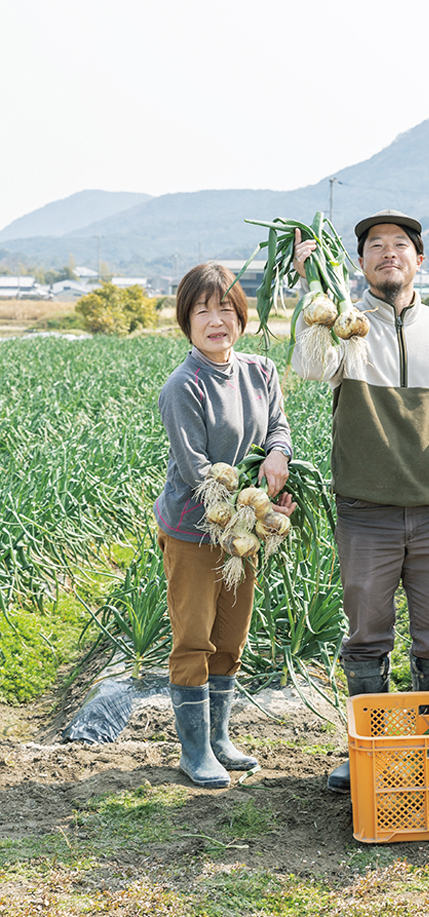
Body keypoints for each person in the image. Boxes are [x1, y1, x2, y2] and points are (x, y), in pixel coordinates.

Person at [292, 209, 429, 793]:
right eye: (374, 246)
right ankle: (368, 750)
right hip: (365, 513)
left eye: (399, 245)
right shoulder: (348, 329)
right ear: (359, 264)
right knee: (367, 636)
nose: (387, 253)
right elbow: (309, 366)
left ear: (418, 260)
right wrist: (316, 292)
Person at [155, 262, 295, 789]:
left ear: (241, 316)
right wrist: (261, 508)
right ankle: (194, 750)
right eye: (202, 310)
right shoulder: (184, 385)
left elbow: (277, 424)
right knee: (195, 638)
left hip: (243, 532)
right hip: (196, 529)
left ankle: (219, 738)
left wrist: (278, 455)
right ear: (186, 321)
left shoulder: (260, 371)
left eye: (225, 309)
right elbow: (197, 472)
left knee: (231, 634)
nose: (216, 320)